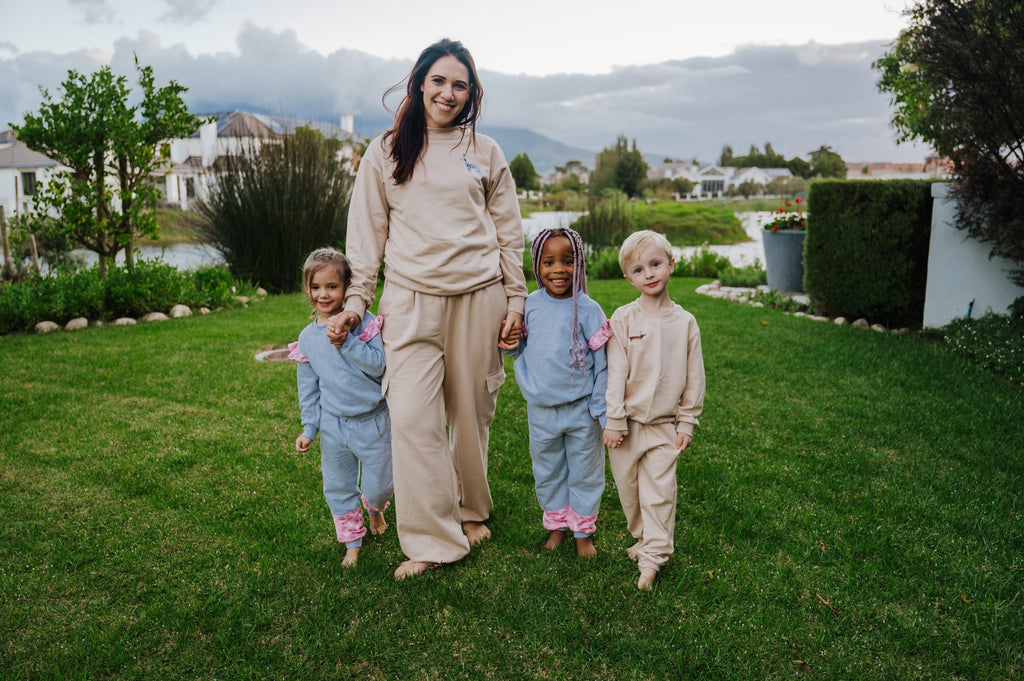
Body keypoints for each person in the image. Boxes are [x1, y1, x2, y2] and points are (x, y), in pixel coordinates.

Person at [326, 38, 527, 580]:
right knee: (412, 419)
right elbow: (366, 236)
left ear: (471, 93)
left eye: (459, 84)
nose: (448, 92)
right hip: (410, 303)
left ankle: (470, 512)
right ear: (419, 83)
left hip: (478, 297)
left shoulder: (485, 151)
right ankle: (433, 540)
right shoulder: (386, 150)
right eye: (439, 80)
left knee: (469, 416)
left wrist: (515, 299)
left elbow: (509, 233)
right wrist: (354, 303)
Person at [602, 230, 706, 590]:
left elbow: (695, 376)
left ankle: (654, 557)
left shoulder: (685, 323)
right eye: (639, 269)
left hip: (663, 425)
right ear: (628, 277)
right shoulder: (623, 319)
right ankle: (644, 537)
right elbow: (615, 373)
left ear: (671, 265)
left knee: (659, 492)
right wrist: (614, 419)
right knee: (630, 492)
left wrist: (687, 421)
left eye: (655, 264)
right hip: (626, 426)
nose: (649, 273)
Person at [504, 227, 609, 557]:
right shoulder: (529, 306)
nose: (559, 269)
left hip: (581, 411)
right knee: (547, 471)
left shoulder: (589, 309)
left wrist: (603, 412)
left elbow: (603, 364)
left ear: (579, 264)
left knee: (585, 472)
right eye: (549, 262)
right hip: (542, 410)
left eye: (567, 261)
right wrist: (508, 344)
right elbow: (518, 348)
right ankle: (556, 526)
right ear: (537, 267)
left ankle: (583, 533)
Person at [290, 247, 393, 569]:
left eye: (332, 286)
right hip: (334, 425)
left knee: (381, 486)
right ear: (307, 289)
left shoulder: (366, 325)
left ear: (348, 287)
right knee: (337, 486)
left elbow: (379, 366)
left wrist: (348, 341)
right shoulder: (307, 339)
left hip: (373, 422)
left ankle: (374, 508)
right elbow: (308, 389)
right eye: (316, 287)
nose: (323, 294)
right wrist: (310, 427)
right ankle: (352, 541)